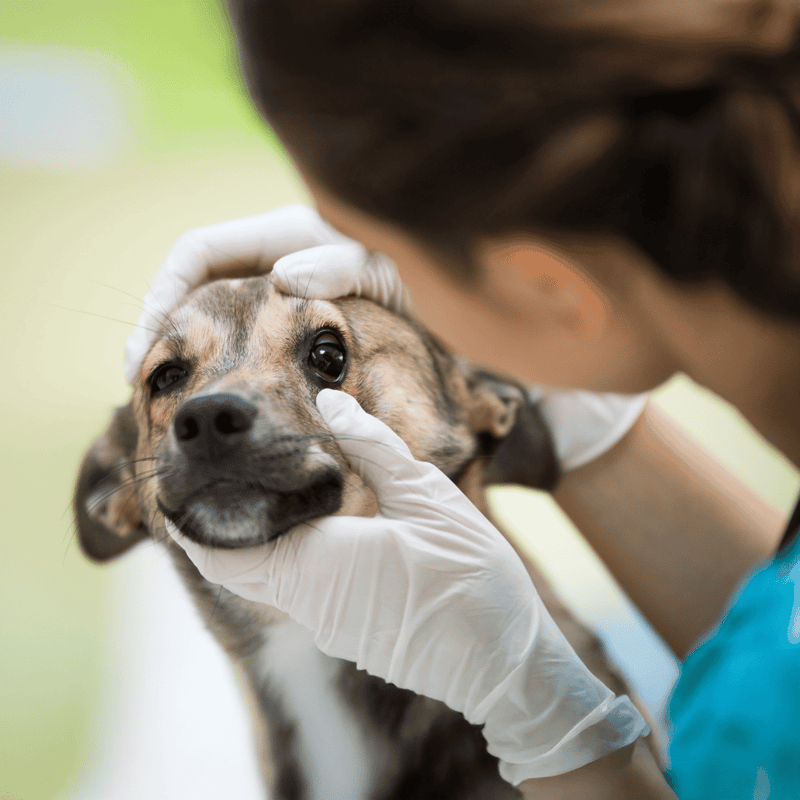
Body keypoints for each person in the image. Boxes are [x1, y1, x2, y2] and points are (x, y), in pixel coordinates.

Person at [123, 1, 800, 796]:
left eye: (366, 246)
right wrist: (583, 427)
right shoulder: (763, 682)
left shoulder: (752, 736)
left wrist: (539, 708)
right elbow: (774, 641)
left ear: (539, 281)